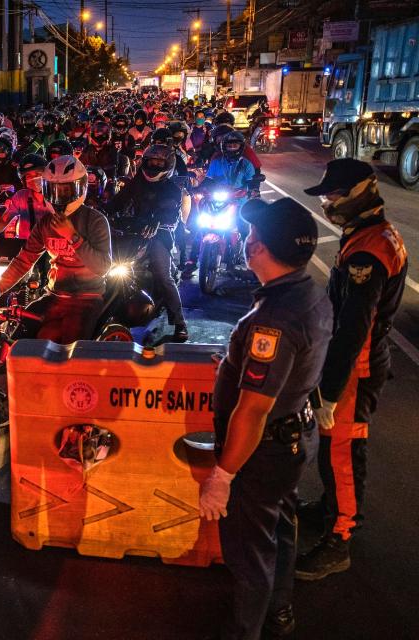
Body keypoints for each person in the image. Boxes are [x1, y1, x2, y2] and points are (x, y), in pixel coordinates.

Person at [200, 197, 330, 640]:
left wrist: (222, 475)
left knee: (249, 551)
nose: (247, 242)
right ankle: (280, 609)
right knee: (281, 526)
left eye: (253, 237)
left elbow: (252, 410)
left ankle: (245, 630)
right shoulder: (310, 293)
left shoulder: (271, 320)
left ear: (260, 250)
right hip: (294, 434)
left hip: (263, 452)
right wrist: (232, 365)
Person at [295, 159, 408, 580]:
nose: (329, 202)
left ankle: (339, 537)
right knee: (333, 452)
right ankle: (330, 509)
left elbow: (354, 329)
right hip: (354, 366)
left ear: (362, 191)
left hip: (355, 370)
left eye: (335, 195)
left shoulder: (368, 250)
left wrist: (330, 388)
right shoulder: (367, 234)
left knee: (341, 454)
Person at [0, 155, 112, 344]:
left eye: (65, 191)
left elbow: (102, 267)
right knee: (16, 339)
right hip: (54, 294)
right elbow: (25, 258)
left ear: (80, 188)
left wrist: (72, 236)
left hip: (87, 297)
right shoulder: (46, 223)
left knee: (69, 347)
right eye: (54, 191)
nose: (59, 197)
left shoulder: (95, 221)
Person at [109, 144, 188, 341]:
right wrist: (102, 212)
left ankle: (179, 322)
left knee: (163, 275)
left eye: (159, 163)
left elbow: (169, 212)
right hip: (133, 232)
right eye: (151, 162)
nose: (154, 166)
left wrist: (157, 222)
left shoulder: (172, 189)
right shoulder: (137, 182)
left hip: (158, 235)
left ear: (167, 165)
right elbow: (118, 201)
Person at [0, 154, 51, 239]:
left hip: (51, 248)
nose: (34, 178)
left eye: (37, 174)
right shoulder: (21, 197)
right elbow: (4, 220)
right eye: (29, 176)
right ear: (24, 181)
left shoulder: (56, 196)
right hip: (24, 247)